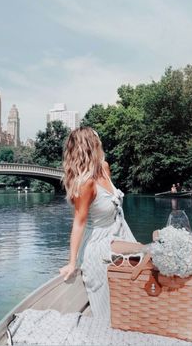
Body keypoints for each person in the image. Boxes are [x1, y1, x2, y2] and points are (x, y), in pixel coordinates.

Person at [59, 127, 136, 320]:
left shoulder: (105, 167)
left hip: (121, 234)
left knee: (139, 280)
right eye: (97, 140)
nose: (101, 142)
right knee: (112, 307)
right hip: (99, 244)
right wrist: (72, 262)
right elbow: (79, 223)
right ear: (91, 146)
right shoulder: (86, 184)